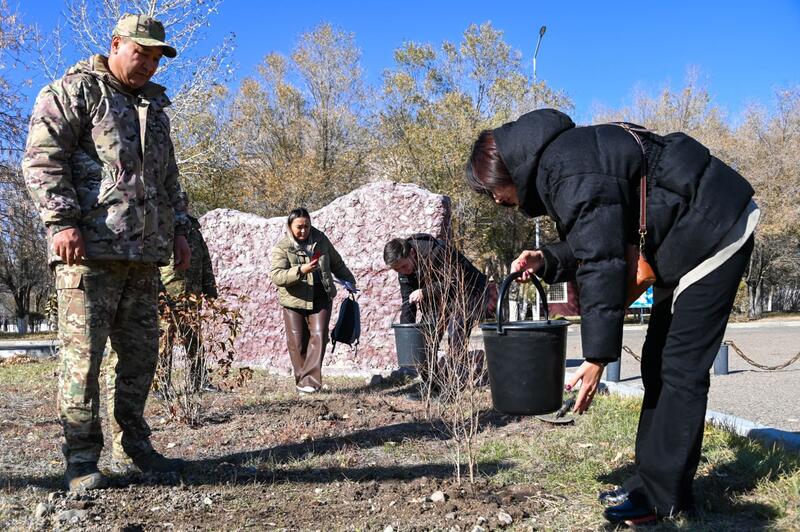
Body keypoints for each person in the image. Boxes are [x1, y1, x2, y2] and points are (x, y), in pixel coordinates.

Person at [466, 109, 758, 524]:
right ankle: (649, 484)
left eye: (492, 190)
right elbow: (598, 236)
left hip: (714, 227)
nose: (496, 200)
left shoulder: (567, 169)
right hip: (685, 233)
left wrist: (596, 356)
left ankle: (664, 499)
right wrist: (546, 259)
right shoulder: (564, 160)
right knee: (657, 363)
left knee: (681, 368)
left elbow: (602, 263)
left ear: (507, 169)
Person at [23, 13, 190, 491]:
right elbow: (42, 158)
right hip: (88, 252)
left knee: (140, 358)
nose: (149, 64)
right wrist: (61, 222)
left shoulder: (154, 108)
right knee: (83, 362)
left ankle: (133, 445)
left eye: (156, 58)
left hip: (143, 255)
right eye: (141, 53)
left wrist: (180, 230)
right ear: (116, 45)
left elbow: (168, 177)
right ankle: (80, 460)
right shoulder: (75, 91)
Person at [383, 234, 498, 389]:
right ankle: (432, 386)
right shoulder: (403, 271)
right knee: (425, 340)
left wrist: (425, 292)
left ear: (412, 253)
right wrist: (408, 334)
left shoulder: (436, 251)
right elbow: (408, 304)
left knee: (456, 335)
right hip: (438, 299)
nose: (403, 271)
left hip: (467, 292)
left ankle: (455, 385)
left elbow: (455, 281)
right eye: (397, 270)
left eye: (404, 267)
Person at [270, 208, 356, 394]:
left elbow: (336, 262)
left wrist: (349, 280)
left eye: (307, 226)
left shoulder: (321, 240)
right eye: (299, 227)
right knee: (298, 342)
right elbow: (277, 276)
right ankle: (303, 382)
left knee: (319, 335)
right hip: (294, 300)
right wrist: (301, 271)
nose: (303, 230)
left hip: (321, 296)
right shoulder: (283, 246)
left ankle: (311, 382)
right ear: (290, 226)